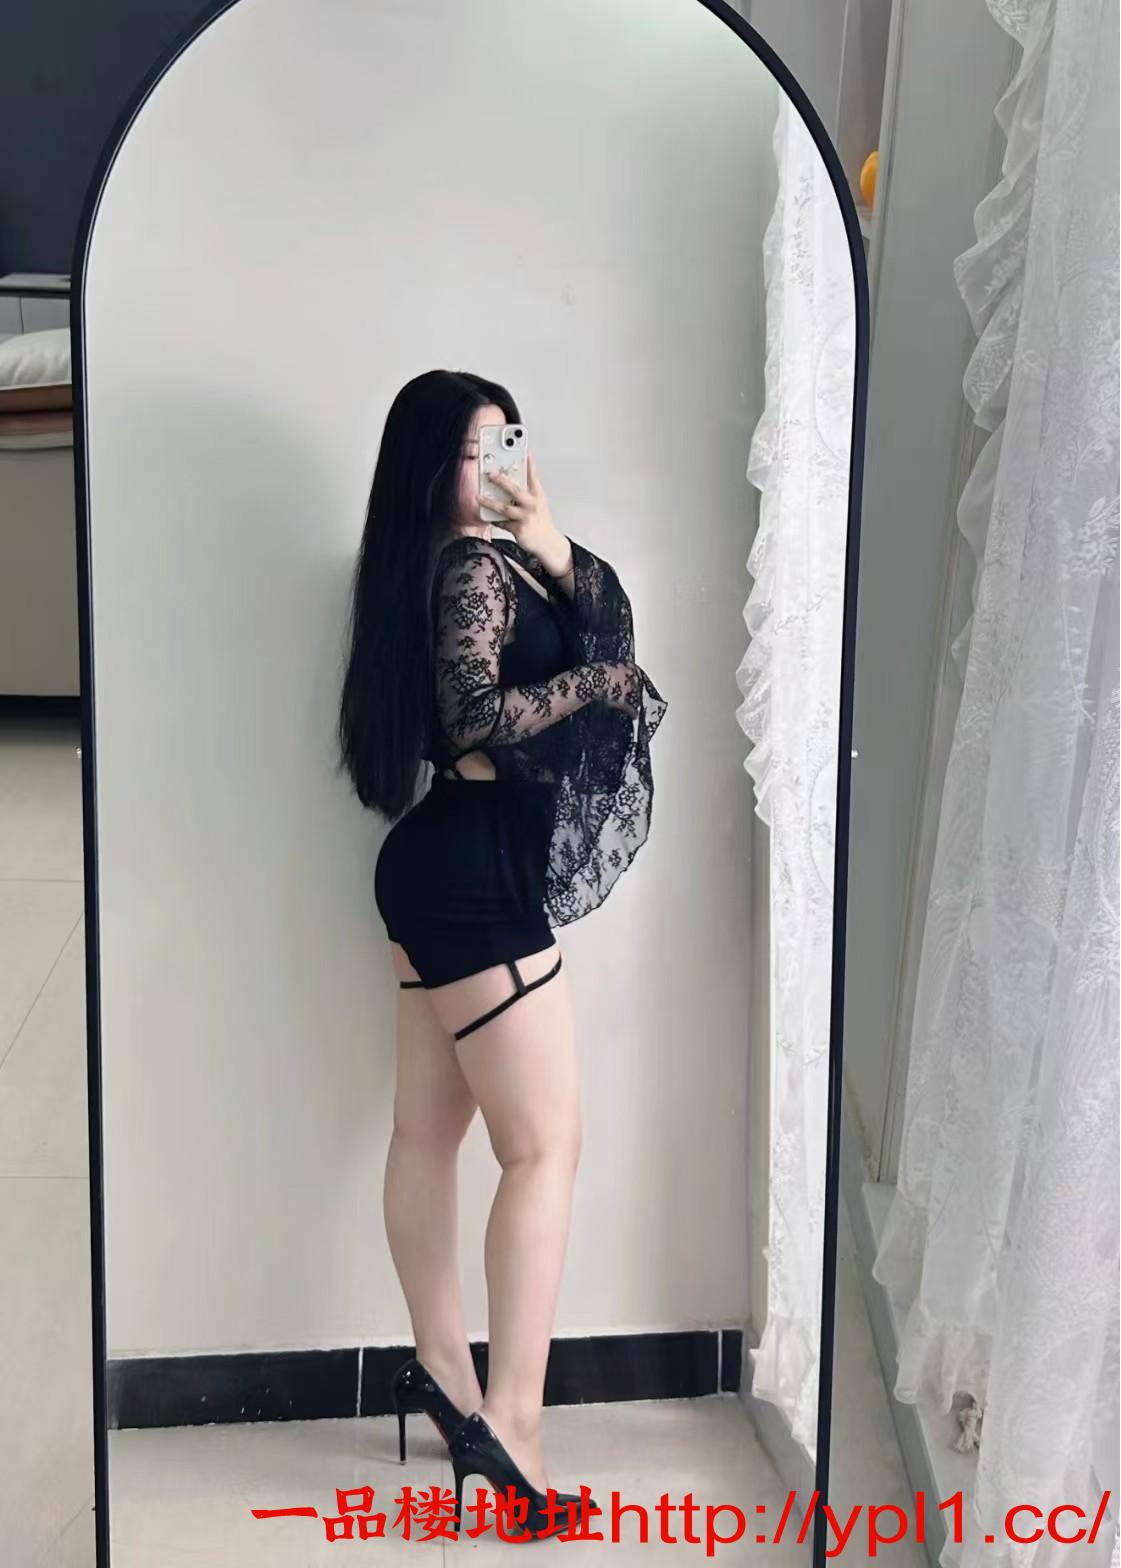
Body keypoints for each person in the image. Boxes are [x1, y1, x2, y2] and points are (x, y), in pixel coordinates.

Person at [337, 368, 666, 1532]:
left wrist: (550, 538)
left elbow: (596, 610)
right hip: (472, 874)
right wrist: (594, 681)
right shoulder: (472, 570)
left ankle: (444, 1377)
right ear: (435, 463)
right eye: (477, 449)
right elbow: (477, 713)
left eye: (506, 442)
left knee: (424, 1132)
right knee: (543, 1146)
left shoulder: (452, 560)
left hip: (434, 862)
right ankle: (513, 1437)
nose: (496, 467)